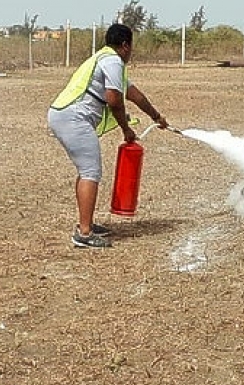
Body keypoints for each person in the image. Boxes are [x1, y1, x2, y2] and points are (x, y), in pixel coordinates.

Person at [48, 22, 169, 248]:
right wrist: (126, 129)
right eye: (131, 47)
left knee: (87, 170)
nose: (131, 52)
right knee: (90, 172)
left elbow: (134, 95)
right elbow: (115, 99)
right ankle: (84, 233)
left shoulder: (105, 59)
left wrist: (156, 117)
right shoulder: (113, 61)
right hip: (73, 118)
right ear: (125, 45)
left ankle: (86, 224)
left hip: (65, 115)